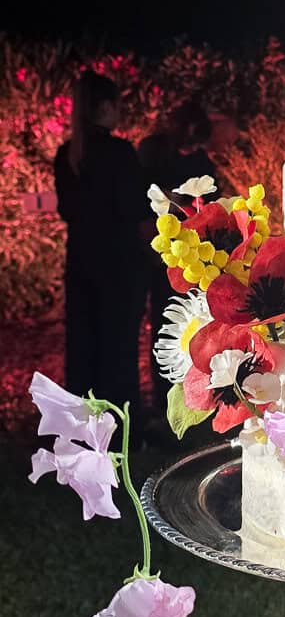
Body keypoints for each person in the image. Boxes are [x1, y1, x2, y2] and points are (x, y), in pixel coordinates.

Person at [54, 71, 148, 435]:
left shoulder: (68, 155)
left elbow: (67, 211)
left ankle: (81, 429)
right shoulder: (119, 153)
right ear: (106, 107)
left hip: (81, 262)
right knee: (119, 348)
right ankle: (126, 429)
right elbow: (134, 210)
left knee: (83, 348)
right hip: (119, 266)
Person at [137, 99, 219, 410]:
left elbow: (210, 197)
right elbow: (141, 195)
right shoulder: (153, 151)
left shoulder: (198, 158)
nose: (193, 149)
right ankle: (161, 399)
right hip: (156, 250)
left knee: (186, 320)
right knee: (162, 324)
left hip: (190, 255)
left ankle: (188, 394)